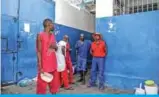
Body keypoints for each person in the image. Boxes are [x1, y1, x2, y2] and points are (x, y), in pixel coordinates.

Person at [36, 19, 59, 94]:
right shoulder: (40, 35)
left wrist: (55, 47)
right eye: (52, 24)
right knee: (41, 87)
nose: (53, 25)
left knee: (54, 86)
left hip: (53, 64)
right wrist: (40, 66)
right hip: (44, 65)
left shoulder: (53, 35)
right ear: (48, 24)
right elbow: (39, 52)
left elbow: (54, 48)